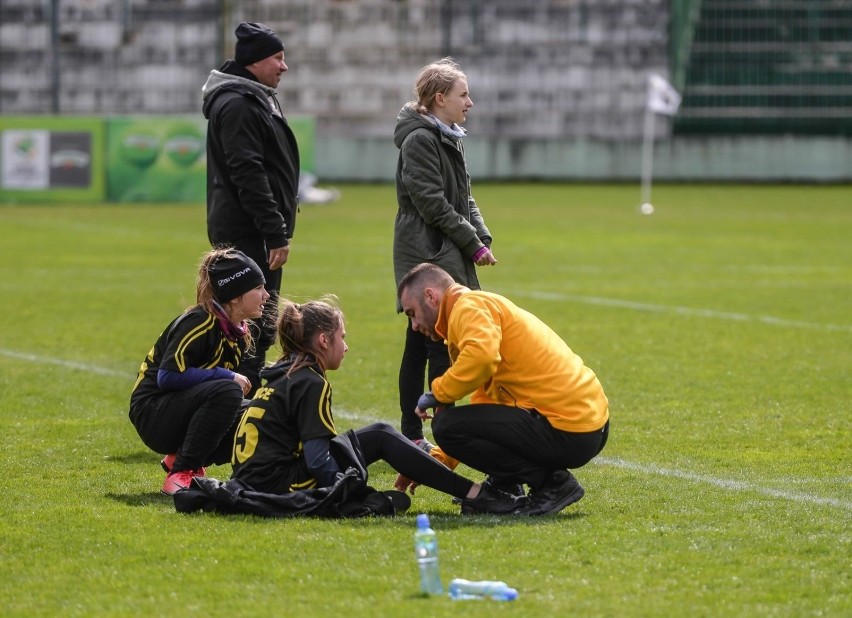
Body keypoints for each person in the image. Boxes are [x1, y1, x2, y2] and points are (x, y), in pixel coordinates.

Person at [229, 297, 520, 515]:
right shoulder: (309, 382)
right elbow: (318, 460)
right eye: (342, 338)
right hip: (279, 488)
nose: (346, 347)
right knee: (380, 435)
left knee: (379, 434)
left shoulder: (283, 373)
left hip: (257, 483)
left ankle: (474, 493)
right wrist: (348, 493)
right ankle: (477, 495)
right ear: (323, 340)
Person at [396, 263, 610, 516]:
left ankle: (552, 485)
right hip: (584, 423)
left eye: (412, 313)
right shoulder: (472, 307)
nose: (414, 325)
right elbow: (485, 402)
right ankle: (506, 483)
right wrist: (438, 459)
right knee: (455, 424)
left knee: (445, 426)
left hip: (570, 427)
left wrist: (436, 393)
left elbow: (482, 358)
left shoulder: (467, 307)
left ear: (431, 296)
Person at [392, 57, 496, 453]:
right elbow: (432, 203)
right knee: (436, 343)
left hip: (446, 245)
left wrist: (481, 236)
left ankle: (414, 433)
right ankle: (437, 436)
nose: (470, 102)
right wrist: (471, 242)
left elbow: (464, 195)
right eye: (463, 94)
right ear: (440, 98)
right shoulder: (421, 139)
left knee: (424, 344)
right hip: (424, 248)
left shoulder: (448, 134)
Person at [202, 21, 300, 395]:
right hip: (248, 232)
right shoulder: (239, 103)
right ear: (255, 62)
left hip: (252, 230)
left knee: (256, 321)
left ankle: (241, 405)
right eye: (277, 57)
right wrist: (274, 232)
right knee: (250, 321)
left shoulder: (253, 97)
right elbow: (249, 173)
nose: (283, 66)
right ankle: (235, 407)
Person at [129, 248, 269, 495]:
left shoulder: (237, 331)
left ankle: (181, 457)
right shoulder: (200, 321)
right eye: (258, 288)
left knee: (262, 412)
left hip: (178, 412)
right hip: (152, 414)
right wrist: (225, 376)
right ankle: (181, 472)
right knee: (227, 390)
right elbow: (168, 376)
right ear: (235, 295)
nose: (266, 295)